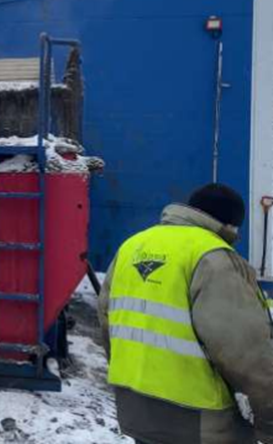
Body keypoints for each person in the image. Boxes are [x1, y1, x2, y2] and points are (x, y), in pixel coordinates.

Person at [98, 183, 273, 444]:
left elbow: (107, 322)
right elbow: (245, 352)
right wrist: (268, 419)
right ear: (230, 225)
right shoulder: (213, 257)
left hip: (137, 409)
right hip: (200, 421)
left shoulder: (132, 246)